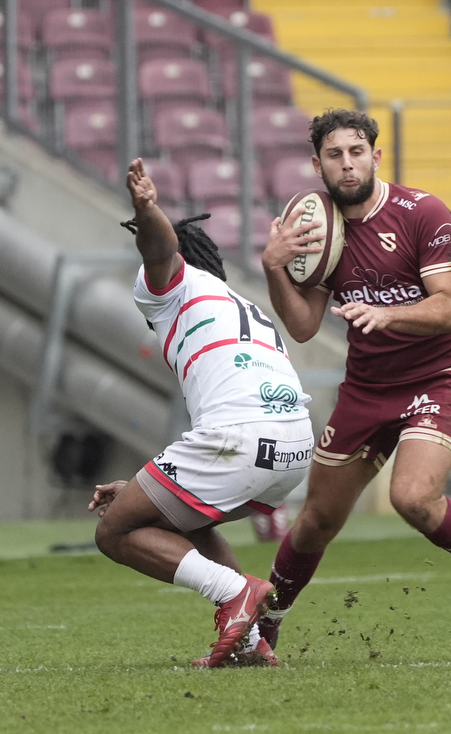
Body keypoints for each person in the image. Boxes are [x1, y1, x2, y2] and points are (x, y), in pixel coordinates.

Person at [258, 109, 451, 647]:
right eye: (334, 155)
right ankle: (263, 629)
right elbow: (303, 327)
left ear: (376, 156)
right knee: (316, 520)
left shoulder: (422, 212)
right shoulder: (319, 229)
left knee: (412, 497)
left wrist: (387, 315)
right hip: (367, 389)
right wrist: (274, 267)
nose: (347, 164)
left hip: (439, 376)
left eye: (356, 152)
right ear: (317, 165)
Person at [88, 158, 318, 668]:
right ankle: (253, 644)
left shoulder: (174, 288)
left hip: (239, 438)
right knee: (181, 520)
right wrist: (142, 490)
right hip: (294, 448)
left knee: (114, 532)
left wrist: (147, 211)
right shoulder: (240, 304)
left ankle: (236, 593)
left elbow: (160, 249)